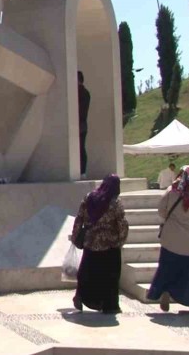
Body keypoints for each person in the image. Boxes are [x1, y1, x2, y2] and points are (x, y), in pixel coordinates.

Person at [147, 165, 189, 313]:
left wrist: (173, 221)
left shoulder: (171, 191)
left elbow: (161, 210)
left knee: (168, 267)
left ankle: (165, 290)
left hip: (172, 240)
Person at [71, 174, 129, 314]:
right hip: (110, 245)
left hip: (91, 243)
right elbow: (122, 224)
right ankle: (110, 305)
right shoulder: (115, 202)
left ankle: (81, 296)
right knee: (110, 276)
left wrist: (75, 236)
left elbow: (79, 218)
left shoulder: (89, 197)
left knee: (88, 272)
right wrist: (121, 240)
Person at [78, 71, 91, 178]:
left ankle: (82, 171)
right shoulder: (86, 92)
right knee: (81, 147)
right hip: (82, 125)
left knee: (80, 148)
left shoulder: (81, 92)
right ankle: (82, 171)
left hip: (80, 125)